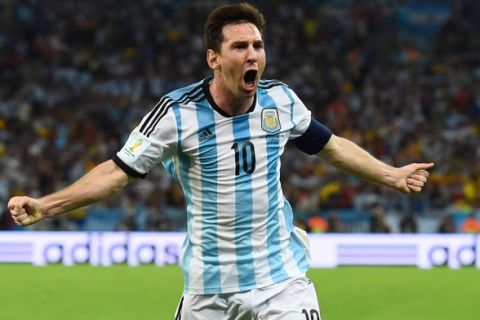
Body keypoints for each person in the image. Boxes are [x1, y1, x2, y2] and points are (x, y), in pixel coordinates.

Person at [8, 3, 433, 319]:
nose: (253, 55)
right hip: (209, 290)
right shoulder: (176, 113)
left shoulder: (280, 100)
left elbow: (332, 145)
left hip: (280, 281)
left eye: (258, 46)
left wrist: (392, 175)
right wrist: (47, 205)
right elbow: (118, 172)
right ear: (214, 59)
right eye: (240, 46)